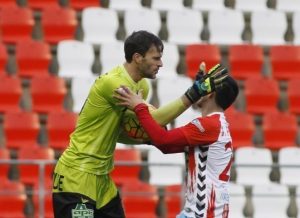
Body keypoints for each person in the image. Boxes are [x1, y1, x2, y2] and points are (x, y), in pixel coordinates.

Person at [52, 30, 210, 218]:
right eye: (156, 58)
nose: (161, 63)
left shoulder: (142, 86)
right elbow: (157, 119)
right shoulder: (115, 84)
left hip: (102, 180)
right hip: (76, 176)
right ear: (137, 57)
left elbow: (120, 132)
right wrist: (193, 94)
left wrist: (147, 139)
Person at [114, 70, 239, 218]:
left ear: (210, 94)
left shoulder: (208, 125)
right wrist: (148, 135)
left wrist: (139, 107)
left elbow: (163, 140)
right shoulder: (217, 124)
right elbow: (167, 146)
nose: (199, 91)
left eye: (204, 88)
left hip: (203, 213)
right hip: (203, 211)